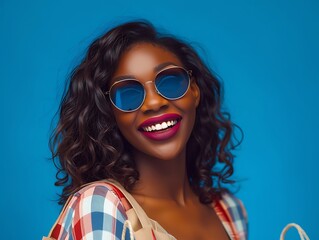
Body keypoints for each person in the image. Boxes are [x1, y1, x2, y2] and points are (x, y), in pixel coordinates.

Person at [48, 20, 248, 240]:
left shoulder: (229, 210)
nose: (154, 103)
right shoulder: (100, 206)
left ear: (194, 90)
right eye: (129, 94)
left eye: (170, 82)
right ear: (109, 112)